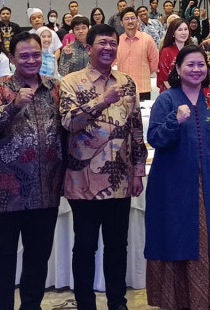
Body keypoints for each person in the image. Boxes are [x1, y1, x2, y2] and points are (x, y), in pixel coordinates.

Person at [145, 45, 210, 309]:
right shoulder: (167, 99)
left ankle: (209, 297)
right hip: (174, 183)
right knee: (177, 233)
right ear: (177, 68)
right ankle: (176, 298)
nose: (196, 69)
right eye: (190, 64)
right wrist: (175, 121)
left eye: (201, 64)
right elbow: (154, 138)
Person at [60, 24, 147, 310]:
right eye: (102, 43)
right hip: (82, 181)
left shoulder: (127, 82)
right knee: (85, 246)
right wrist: (102, 100)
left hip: (120, 180)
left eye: (112, 43)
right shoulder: (71, 81)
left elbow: (136, 129)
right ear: (89, 48)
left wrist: (138, 171)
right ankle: (85, 304)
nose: (108, 48)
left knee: (117, 246)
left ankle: (117, 302)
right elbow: (69, 123)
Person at [0, 32, 65, 310]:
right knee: (3, 255)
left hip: (45, 190)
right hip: (5, 192)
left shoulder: (55, 87)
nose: (31, 60)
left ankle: (32, 305)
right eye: (24, 56)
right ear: (12, 58)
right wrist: (14, 105)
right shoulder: (0, 89)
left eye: (36, 54)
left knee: (38, 256)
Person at [116, 7, 159, 101]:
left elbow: (154, 62)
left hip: (143, 88)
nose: (130, 21)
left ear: (137, 20)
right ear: (121, 23)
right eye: (126, 19)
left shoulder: (147, 39)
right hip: (123, 89)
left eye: (133, 18)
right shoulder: (117, 41)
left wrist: (144, 73)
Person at [157, 18, 193, 92]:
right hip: (171, 92)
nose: (183, 33)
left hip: (191, 91)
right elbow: (164, 77)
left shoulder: (192, 50)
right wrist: (178, 94)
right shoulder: (166, 51)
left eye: (186, 29)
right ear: (173, 33)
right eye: (180, 30)